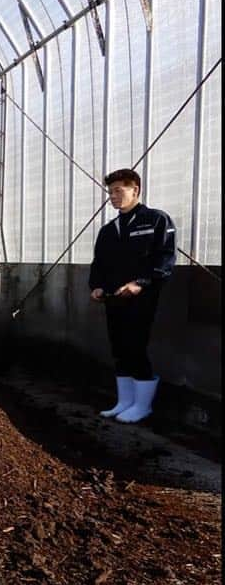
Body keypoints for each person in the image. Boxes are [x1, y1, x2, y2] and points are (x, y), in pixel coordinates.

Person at [89, 168, 175, 424]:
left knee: (135, 347)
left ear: (135, 190)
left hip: (142, 297)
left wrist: (140, 283)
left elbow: (165, 258)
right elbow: (99, 264)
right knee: (119, 348)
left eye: (118, 190)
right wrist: (96, 286)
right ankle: (125, 402)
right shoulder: (109, 230)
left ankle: (142, 406)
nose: (113, 196)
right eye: (110, 192)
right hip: (114, 298)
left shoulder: (156, 220)